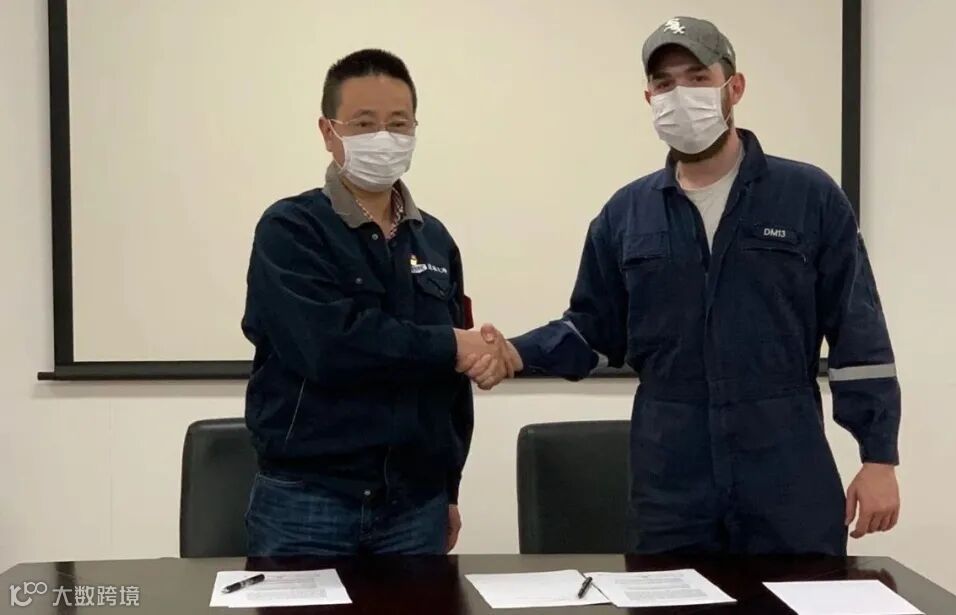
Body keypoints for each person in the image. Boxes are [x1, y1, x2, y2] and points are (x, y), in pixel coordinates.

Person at [463, 17, 901, 555]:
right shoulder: (626, 214)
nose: (680, 95)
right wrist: (514, 353)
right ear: (649, 97)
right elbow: (593, 331)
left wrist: (878, 457)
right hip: (670, 476)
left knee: (800, 592)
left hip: (785, 464)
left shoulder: (809, 196)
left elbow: (858, 332)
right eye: (665, 83)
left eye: (697, 78)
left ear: (734, 87)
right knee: (668, 592)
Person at [241, 49, 519, 556]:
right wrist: (451, 345)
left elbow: (452, 384)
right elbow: (327, 347)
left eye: (399, 123)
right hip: (308, 503)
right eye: (364, 124)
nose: (384, 138)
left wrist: (449, 488)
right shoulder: (291, 229)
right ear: (328, 132)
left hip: (416, 507)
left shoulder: (434, 240)